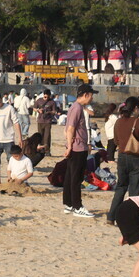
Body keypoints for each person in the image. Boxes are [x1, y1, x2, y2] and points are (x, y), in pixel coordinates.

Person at [106, 97, 139, 225]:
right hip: (136, 157)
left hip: (122, 156)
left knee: (121, 187)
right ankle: (130, 218)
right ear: (136, 108)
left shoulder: (118, 122)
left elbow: (115, 141)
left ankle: (111, 216)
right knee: (134, 190)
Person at [62, 83, 96, 218]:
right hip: (77, 148)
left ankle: (69, 204)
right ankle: (77, 206)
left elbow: (68, 129)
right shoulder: (76, 108)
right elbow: (70, 129)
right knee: (76, 178)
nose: (92, 98)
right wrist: (70, 146)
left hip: (76, 146)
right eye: (91, 95)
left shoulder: (76, 107)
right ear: (86, 95)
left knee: (71, 176)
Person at [33, 89, 57, 154]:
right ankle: (40, 150)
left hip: (48, 121)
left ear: (49, 96)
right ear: (43, 95)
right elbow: (34, 108)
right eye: (45, 97)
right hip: (40, 121)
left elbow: (54, 111)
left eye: (47, 97)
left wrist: (49, 112)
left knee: (47, 137)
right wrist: (38, 110)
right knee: (40, 136)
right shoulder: (39, 100)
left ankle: (47, 151)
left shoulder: (52, 102)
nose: (46, 98)